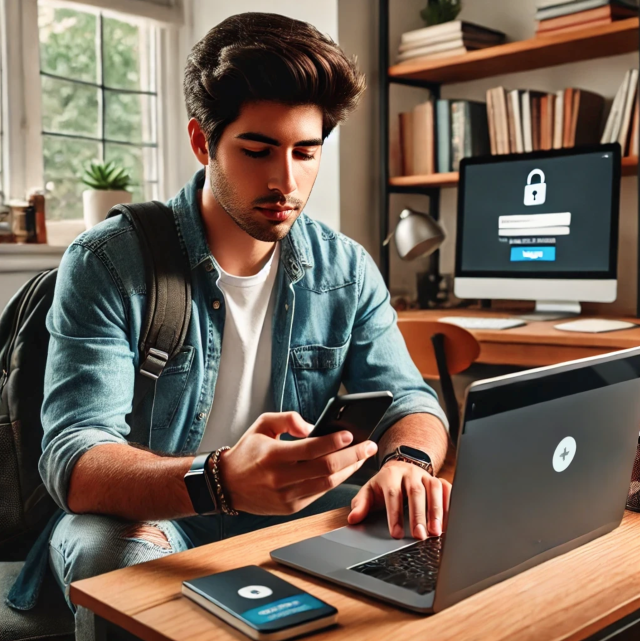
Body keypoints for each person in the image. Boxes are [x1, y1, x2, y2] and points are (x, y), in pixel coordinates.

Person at [10, 12, 450, 640]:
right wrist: (218, 479)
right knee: (116, 561)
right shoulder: (109, 260)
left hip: (291, 505)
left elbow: (412, 400)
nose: (285, 181)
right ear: (202, 141)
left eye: (306, 151)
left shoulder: (347, 269)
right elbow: (75, 459)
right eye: (257, 150)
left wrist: (408, 461)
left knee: (426, 530)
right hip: (151, 514)